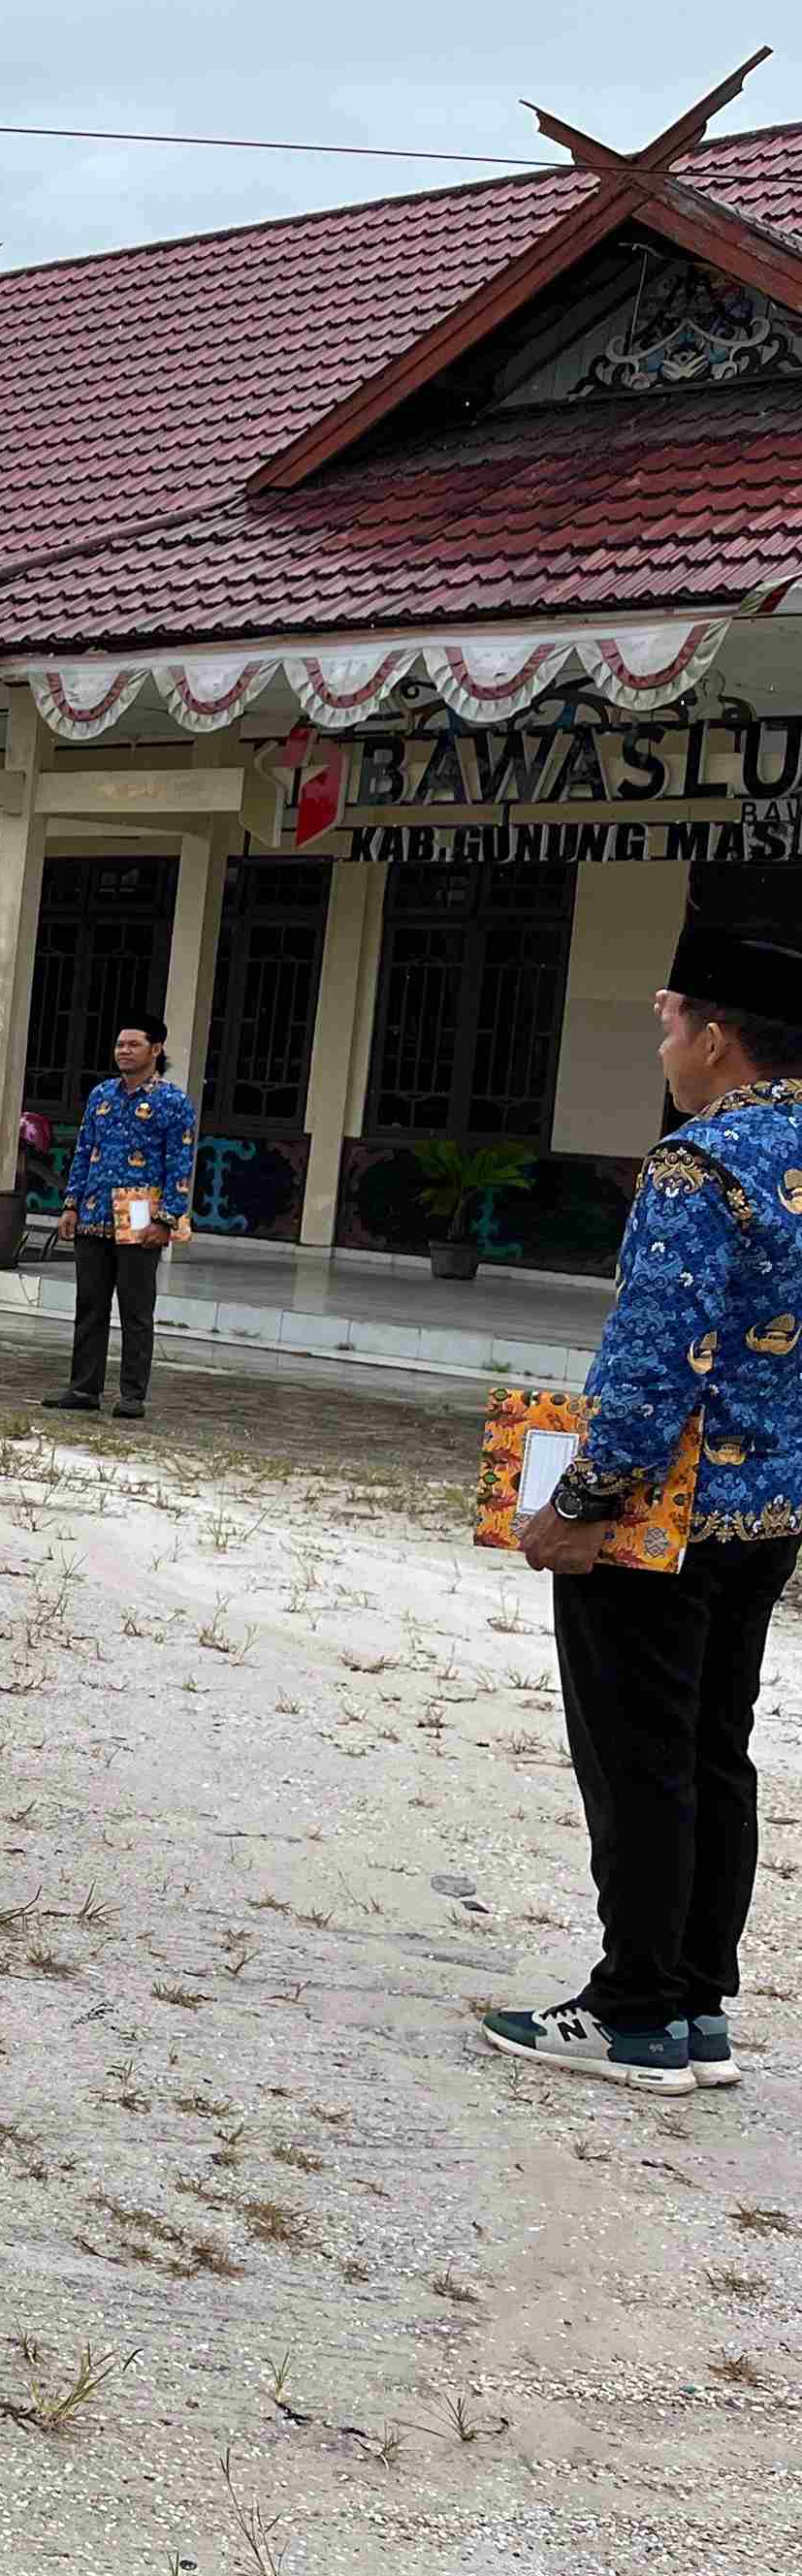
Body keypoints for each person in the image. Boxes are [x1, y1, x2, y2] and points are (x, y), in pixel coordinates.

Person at [496, 867, 802, 2096]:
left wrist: (573, 1508)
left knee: (637, 1757)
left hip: (661, 1520)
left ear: (714, 1037)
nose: (663, 1042)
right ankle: (693, 2007)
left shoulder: (699, 1167)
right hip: (768, 1511)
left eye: (669, 1020)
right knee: (711, 1752)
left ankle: (628, 2012)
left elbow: (645, 1370)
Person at [43, 1021, 198, 1422]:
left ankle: (132, 1393)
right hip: (93, 1213)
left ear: (156, 1049)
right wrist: (70, 1204)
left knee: (136, 1307)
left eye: (134, 1044)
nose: (124, 1051)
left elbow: (180, 1163)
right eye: (119, 1044)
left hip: (141, 1214)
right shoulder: (101, 1096)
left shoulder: (172, 1101)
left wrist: (166, 1219)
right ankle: (83, 1387)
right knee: (90, 1305)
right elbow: (83, 1151)